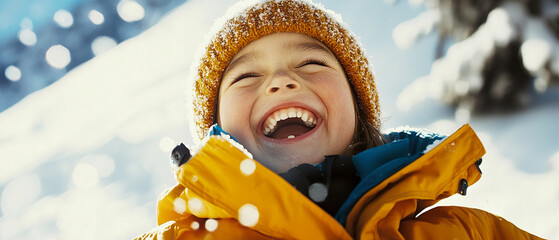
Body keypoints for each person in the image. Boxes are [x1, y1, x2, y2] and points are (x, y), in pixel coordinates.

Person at [136, 0, 542, 239]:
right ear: (215, 133)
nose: (281, 81)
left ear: (360, 113)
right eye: (246, 76)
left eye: (311, 63)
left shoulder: (466, 233)